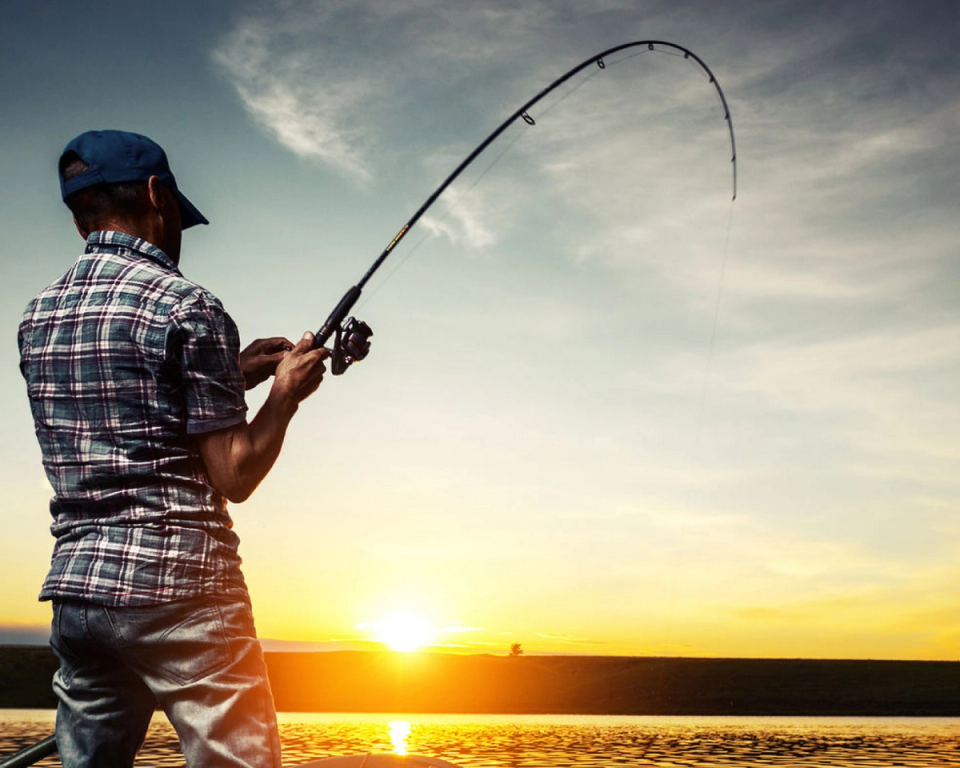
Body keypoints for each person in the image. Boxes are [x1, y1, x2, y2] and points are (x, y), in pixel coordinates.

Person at [18, 130, 351, 768]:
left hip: (80, 596)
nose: (178, 233)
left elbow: (118, 400)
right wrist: (283, 396)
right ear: (155, 195)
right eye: (178, 216)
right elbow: (234, 473)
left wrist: (227, 369)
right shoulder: (187, 305)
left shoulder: (37, 318)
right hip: (185, 589)